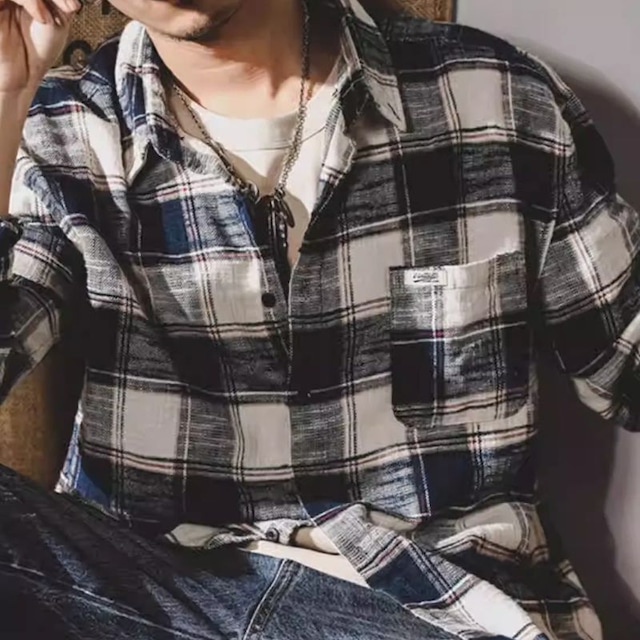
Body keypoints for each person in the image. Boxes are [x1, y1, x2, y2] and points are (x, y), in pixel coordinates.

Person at [0, 0, 634, 637]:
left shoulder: (493, 98)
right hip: (158, 600)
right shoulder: (54, 131)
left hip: (425, 607)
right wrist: (4, 95)